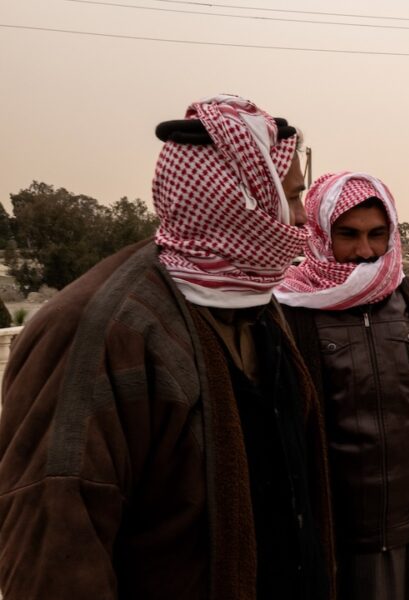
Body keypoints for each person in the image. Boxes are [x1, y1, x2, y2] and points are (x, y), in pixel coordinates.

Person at [0, 95, 333, 599]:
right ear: (241, 200)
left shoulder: (256, 305)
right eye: (288, 196)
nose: (303, 219)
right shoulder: (95, 329)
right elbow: (55, 547)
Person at [275, 172, 409, 600]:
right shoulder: (290, 311)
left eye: (376, 235)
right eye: (348, 235)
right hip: (335, 530)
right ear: (319, 234)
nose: (364, 251)